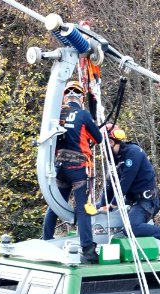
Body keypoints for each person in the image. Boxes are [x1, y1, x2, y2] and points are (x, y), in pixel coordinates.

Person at [42, 81, 104, 264]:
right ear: (81, 97)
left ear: (65, 96)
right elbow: (98, 138)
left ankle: (46, 239)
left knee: (55, 203)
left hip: (60, 166)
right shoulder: (83, 114)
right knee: (82, 208)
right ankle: (88, 248)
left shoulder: (57, 114)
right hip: (77, 168)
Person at [99, 124, 160, 258]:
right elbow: (110, 184)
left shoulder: (133, 153)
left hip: (147, 201)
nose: (102, 148)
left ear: (112, 141)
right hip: (133, 201)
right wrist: (102, 205)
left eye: (103, 143)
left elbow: (125, 182)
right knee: (97, 209)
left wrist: (112, 205)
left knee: (131, 228)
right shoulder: (115, 158)